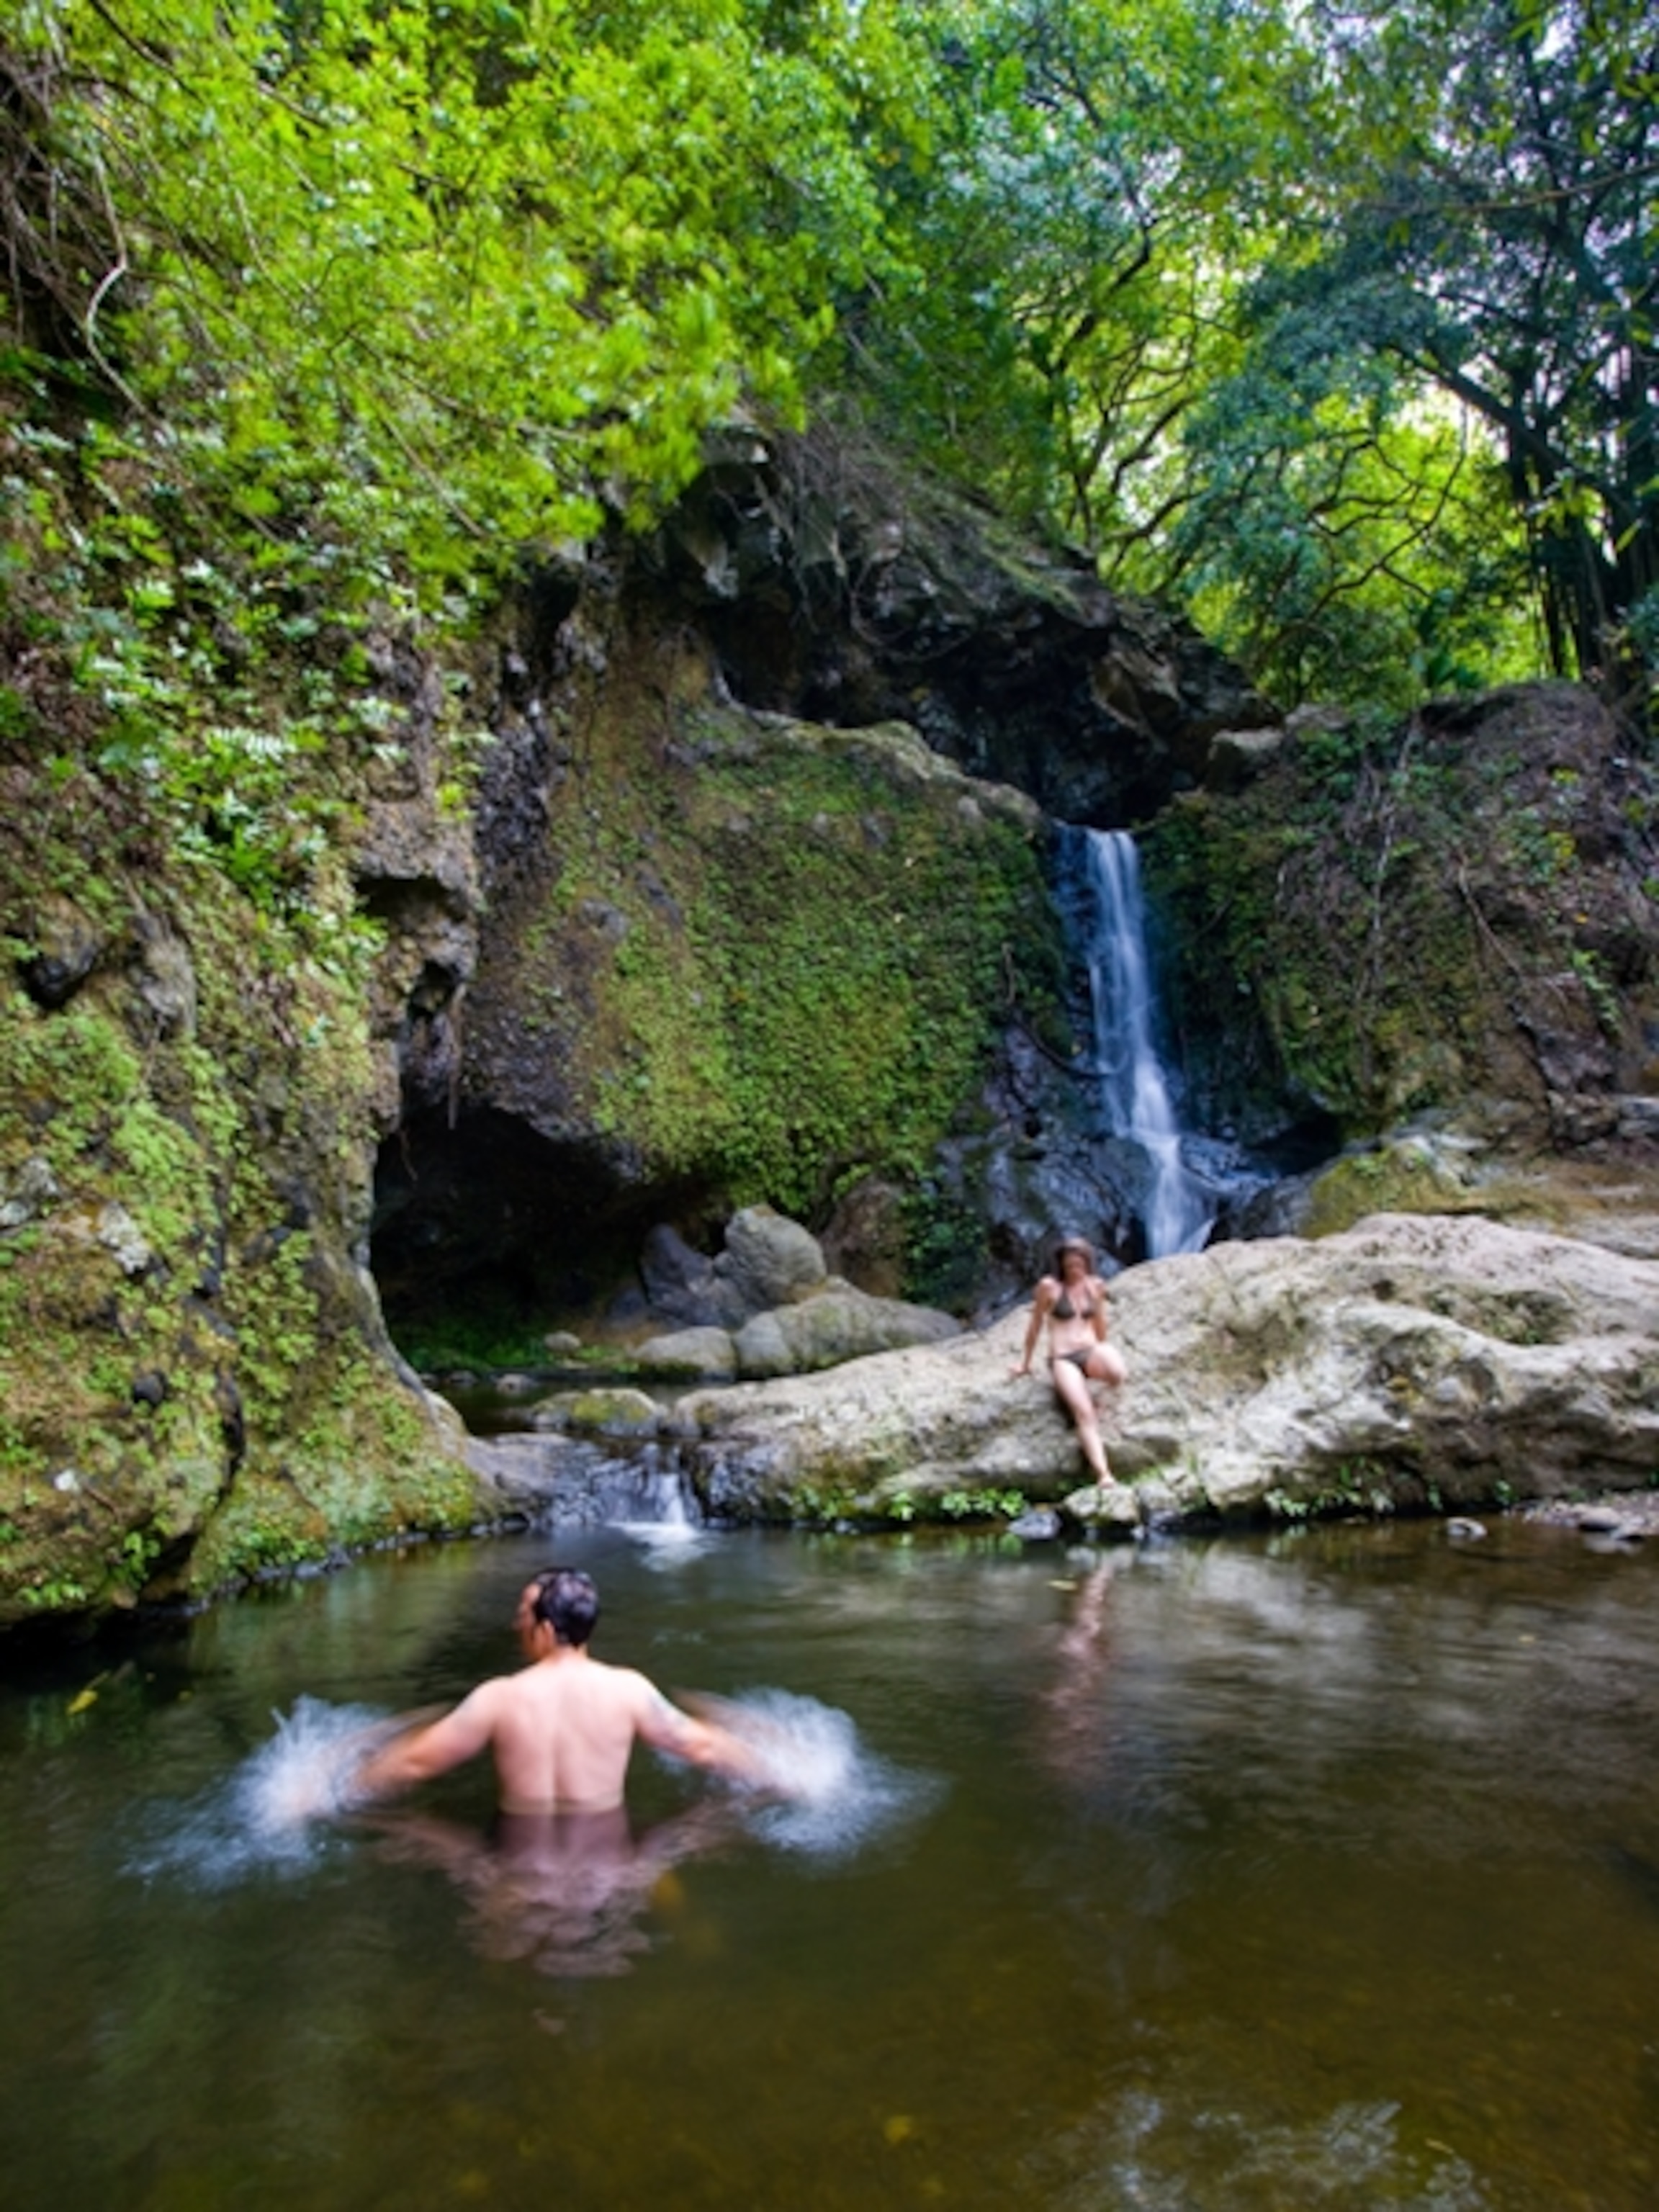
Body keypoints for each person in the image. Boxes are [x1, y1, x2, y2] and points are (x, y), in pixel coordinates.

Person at [351, 1565, 756, 1813]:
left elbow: (414, 1764)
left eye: (522, 1617)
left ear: (545, 1630)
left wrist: (335, 1789)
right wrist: (783, 1771)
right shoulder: (629, 1690)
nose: (516, 1626)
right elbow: (702, 1747)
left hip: (519, 1858)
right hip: (607, 1860)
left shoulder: (499, 1697)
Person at [1010, 1234, 1126, 1489]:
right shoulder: (1048, 1287)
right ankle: (1103, 1474)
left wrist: (1103, 1349)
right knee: (1084, 1413)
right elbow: (1035, 1325)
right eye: (1070, 1264)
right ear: (1061, 1264)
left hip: (1089, 1350)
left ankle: (1095, 1389)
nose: (1075, 1269)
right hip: (1063, 1358)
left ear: (1088, 1263)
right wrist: (1025, 1363)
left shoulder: (1095, 1285)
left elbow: (1099, 1323)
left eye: (1080, 1264)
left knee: (1118, 1372)